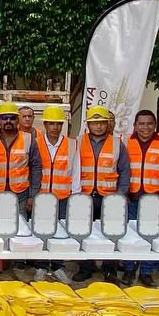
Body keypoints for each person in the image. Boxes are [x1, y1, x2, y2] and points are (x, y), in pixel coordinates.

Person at [71, 105, 128, 283]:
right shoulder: (77, 142)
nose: (98, 127)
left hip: (110, 197)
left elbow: (124, 170)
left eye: (102, 123)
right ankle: (86, 267)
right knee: (84, 233)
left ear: (107, 123)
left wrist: (121, 194)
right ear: (88, 124)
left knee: (110, 233)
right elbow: (72, 169)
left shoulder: (118, 143)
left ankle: (109, 269)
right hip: (85, 195)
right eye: (94, 123)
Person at [122, 110, 159, 287]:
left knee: (150, 236)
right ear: (135, 125)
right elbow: (119, 168)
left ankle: (146, 272)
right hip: (131, 196)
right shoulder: (125, 141)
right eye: (141, 123)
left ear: (155, 125)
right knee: (129, 235)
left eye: (149, 123)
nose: (145, 127)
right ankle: (128, 270)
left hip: (154, 198)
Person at [33, 105, 76, 284]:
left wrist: (76, 193)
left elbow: (76, 170)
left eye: (58, 124)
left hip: (63, 195)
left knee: (60, 233)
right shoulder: (35, 142)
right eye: (51, 123)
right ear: (45, 124)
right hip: (42, 196)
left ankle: (58, 266)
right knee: (41, 232)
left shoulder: (72, 144)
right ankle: (41, 267)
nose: (55, 128)